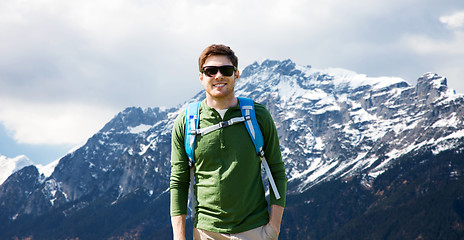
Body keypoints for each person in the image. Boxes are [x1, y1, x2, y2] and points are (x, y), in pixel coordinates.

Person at [170, 44, 287, 240]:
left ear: (236, 75)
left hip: (255, 230)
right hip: (206, 232)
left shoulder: (258, 116)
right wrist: (179, 237)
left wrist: (273, 228)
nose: (218, 76)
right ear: (201, 77)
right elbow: (179, 182)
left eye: (226, 70)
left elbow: (277, 171)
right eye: (210, 71)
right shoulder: (186, 122)